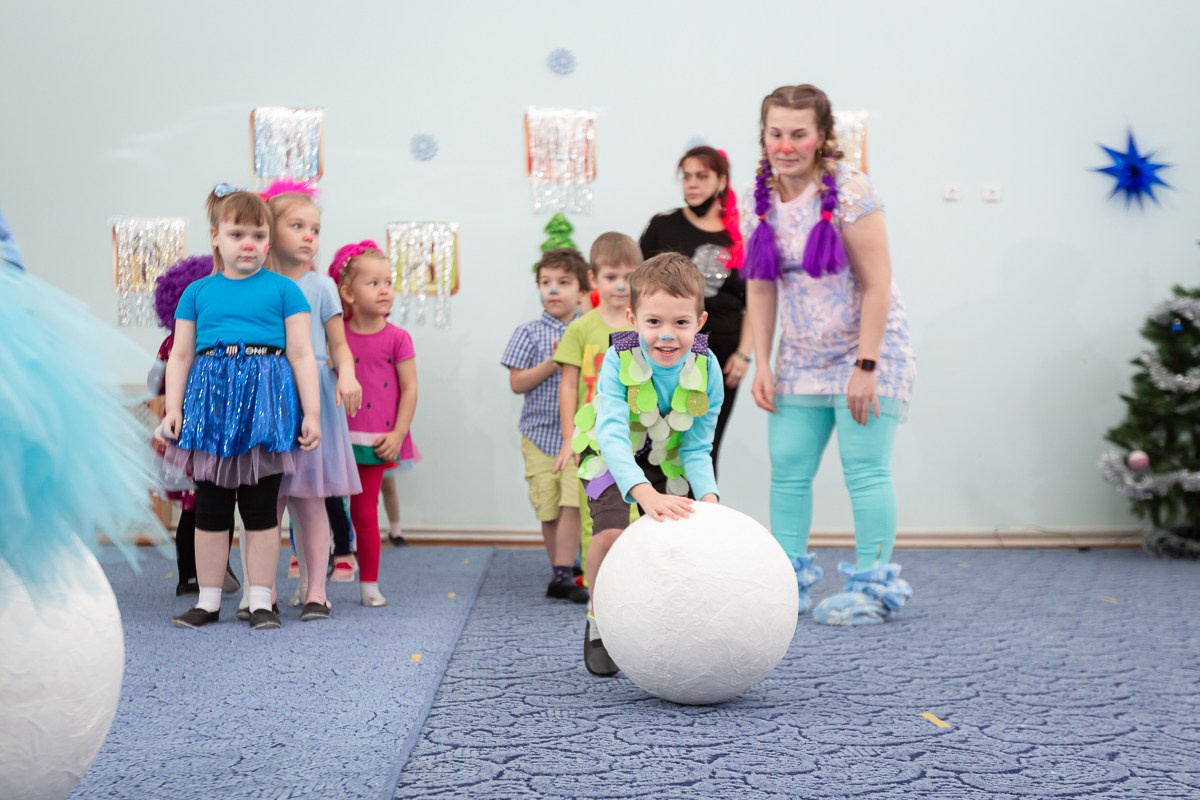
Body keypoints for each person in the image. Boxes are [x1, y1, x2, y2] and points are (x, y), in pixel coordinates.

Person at [744, 84, 917, 625]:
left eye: (798, 134)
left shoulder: (851, 191)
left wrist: (866, 366)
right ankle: (786, 582)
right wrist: (763, 362)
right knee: (788, 468)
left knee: (864, 470)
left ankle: (873, 587)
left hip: (868, 349)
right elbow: (761, 287)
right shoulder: (759, 198)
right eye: (775, 134)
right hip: (800, 354)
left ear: (822, 137)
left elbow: (878, 283)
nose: (785, 145)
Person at [160, 185, 321, 630]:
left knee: (261, 510)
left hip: (265, 406)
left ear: (268, 241)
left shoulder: (286, 291)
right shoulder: (196, 293)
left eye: (258, 235)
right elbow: (180, 355)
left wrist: (311, 413)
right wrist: (173, 409)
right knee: (210, 509)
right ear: (216, 237)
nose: (248, 244)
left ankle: (261, 600)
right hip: (211, 406)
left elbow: (302, 354)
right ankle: (208, 600)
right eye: (236, 234)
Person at [572, 253, 724, 676]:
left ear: (699, 322)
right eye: (654, 322)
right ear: (632, 318)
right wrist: (642, 493)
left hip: (667, 453)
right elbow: (612, 436)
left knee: (679, 536)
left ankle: (663, 618)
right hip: (606, 452)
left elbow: (697, 446)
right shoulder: (617, 358)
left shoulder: (707, 366)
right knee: (612, 532)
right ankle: (598, 618)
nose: (667, 335)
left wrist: (709, 499)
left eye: (681, 322)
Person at [256, 180, 362, 621]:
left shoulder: (322, 286)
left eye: (315, 229)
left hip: (313, 393)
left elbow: (339, 345)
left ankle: (317, 589)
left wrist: (347, 374)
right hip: (267, 393)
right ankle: (261, 592)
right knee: (264, 502)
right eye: (297, 226)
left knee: (310, 499)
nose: (308, 236)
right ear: (269, 230)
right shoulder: (256, 284)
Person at [639, 146, 752, 469]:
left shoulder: (738, 236)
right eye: (687, 176)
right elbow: (637, 287)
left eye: (702, 176)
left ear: (721, 181)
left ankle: (703, 502)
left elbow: (755, 303)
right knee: (656, 443)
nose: (692, 183)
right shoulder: (662, 226)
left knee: (704, 446)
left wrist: (743, 354)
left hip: (721, 356)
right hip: (666, 351)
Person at [329, 241, 419, 608]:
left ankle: (369, 583)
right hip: (336, 437)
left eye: (388, 282)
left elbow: (410, 388)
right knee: (320, 508)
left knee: (364, 511)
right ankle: (312, 578)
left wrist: (398, 433)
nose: (385, 290)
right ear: (348, 293)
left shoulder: (398, 338)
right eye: (374, 283)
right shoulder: (336, 336)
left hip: (375, 438)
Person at [552, 233, 642, 581]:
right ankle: (598, 588)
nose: (620, 286)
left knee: (634, 514)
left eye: (628, 277)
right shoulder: (580, 329)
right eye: (611, 277)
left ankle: (631, 583)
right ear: (593, 279)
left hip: (634, 437)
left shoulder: (642, 328)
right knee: (597, 517)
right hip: (591, 441)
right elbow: (568, 385)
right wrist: (568, 439)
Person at [502, 248, 589, 602]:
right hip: (539, 435)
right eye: (546, 282)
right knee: (549, 507)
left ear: (582, 291)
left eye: (564, 283)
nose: (553, 290)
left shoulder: (587, 331)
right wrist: (554, 362)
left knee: (573, 500)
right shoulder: (528, 333)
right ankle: (561, 569)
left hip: (578, 435)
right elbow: (517, 382)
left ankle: (565, 570)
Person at [149, 254, 238, 597]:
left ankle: (190, 576)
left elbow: (152, 384)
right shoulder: (213, 338)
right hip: (200, 430)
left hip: (189, 430)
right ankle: (208, 572)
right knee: (213, 502)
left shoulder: (172, 342)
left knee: (195, 504)